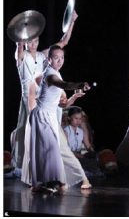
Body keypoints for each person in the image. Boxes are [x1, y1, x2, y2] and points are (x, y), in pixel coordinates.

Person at [10, 10, 78, 175]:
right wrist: (21, 31)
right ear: (26, 42)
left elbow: (63, 42)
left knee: (51, 132)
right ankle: (25, 167)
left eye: (36, 40)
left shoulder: (43, 56)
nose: (34, 44)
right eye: (31, 41)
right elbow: (18, 44)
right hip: (28, 99)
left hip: (44, 100)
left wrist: (72, 22)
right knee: (26, 133)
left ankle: (51, 165)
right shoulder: (21, 56)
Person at [21, 45, 91, 193]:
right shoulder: (50, 74)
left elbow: (62, 104)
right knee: (50, 149)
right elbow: (64, 85)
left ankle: (50, 183)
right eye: (56, 58)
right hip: (41, 116)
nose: (60, 61)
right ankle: (54, 182)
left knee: (51, 149)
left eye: (62, 58)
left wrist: (74, 96)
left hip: (50, 116)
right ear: (49, 59)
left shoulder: (57, 74)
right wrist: (79, 84)